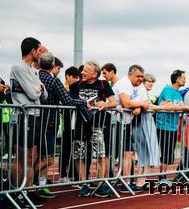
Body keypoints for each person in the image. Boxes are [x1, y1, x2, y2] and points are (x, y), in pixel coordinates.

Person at [38, 52, 88, 197]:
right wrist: (84, 102)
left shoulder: (34, 76)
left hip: (34, 120)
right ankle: (38, 185)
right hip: (50, 122)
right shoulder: (54, 81)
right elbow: (66, 100)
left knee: (35, 156)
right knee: (47, 158)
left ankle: (33, 185)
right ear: (53, 65)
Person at [69, 61, 117, 197]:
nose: (82, 73)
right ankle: (84, 184)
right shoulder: (76, 86)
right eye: (83, 70)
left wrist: (105, 103)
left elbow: (114, 102)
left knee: (101, 155)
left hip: (98, 124)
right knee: (79, 155)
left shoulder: (103, 84)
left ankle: (101, 184)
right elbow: (67, 99)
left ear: (94, 74)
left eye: (86, 71)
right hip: (80, 123)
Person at [10, 37, 48, 195]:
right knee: (21, 157)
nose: (41, 54)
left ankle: (28, 191)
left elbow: (44, 95)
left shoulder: (33, 69)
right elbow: (34, 94)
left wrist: (39, 89)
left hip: (34, 115)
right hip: (23, 116)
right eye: (39, 51)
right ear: (32, 51)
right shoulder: (18, 67)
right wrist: (38, 89)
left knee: (31, 156)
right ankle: (18, 191)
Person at [112, 65, 150, 194]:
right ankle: (122, 182)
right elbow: (126, 103)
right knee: (115, 154)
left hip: (126, 123)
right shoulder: (124, 83)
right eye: (138, 76)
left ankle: (126, 182)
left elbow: (146, 104)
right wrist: (140, 105)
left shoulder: (139, 86)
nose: (140, 79)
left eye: (141, 77)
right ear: (130, 74)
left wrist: (139, 107)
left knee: (128, 153)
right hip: (114, 122)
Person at [155, 70, 189, 185]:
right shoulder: (168, 90)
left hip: (173, 127)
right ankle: (161, 178)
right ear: (177, 79)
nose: (185, 80)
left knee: (169, 153)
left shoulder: (177, 93)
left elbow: (181, 106)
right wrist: (186, 107)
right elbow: (170, 106)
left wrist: (185, 107)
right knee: (166, 152)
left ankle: (163, 177)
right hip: (164, 126)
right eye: (183, 78)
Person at [132, 73, 163, 187]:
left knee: (144, 154)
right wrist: (164, 107)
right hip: (143, 124)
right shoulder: (141, 92)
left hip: (141, 123)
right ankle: (142, 180)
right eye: (149, 81)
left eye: (152, 82)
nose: (151, 84)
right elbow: (148, 106)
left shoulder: (140, 92)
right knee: (147, 152)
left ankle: (141, 180)